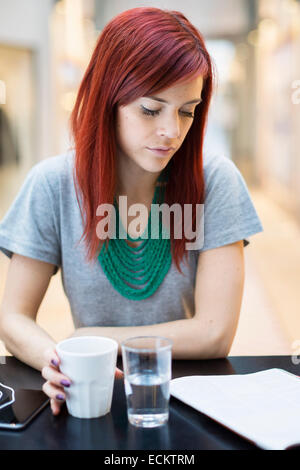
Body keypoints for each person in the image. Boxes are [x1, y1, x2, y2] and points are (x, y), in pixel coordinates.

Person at [0, 7, 263, 416]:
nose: (172, 131)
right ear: (108, 100)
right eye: (150, 109)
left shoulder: (214, 180)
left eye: (186, 110)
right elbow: (13, 318)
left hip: (187, 401)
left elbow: (214, 334)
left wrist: (93, 338)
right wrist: (56, 361)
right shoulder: (53, 184)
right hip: (92, 397)